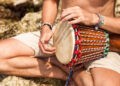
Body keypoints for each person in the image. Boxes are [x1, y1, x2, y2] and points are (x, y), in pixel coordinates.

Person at [0, 0, 120, 86]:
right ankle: (68, 70)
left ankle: (72, 71)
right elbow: (52, 2)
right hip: (61, 35)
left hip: (102, 42)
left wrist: (96, 18)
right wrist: (46, 27)